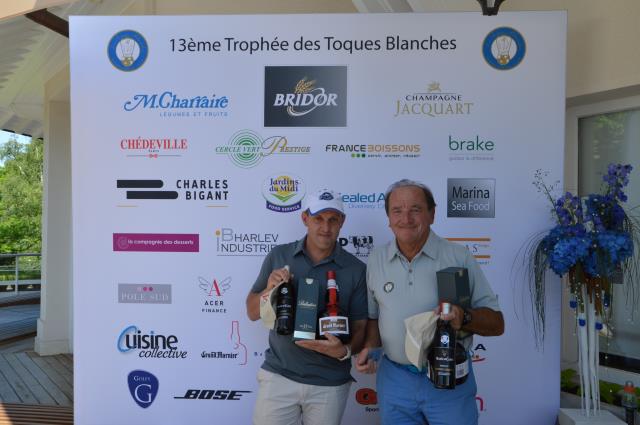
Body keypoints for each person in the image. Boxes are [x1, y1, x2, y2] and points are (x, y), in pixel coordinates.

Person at [355, 179, 504, 425]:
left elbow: (497, 323)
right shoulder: (376, 259)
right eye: (397, 211)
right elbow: (374, 318)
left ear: (432, 214)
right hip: (395, 381)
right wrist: (370, 349)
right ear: (389, 219)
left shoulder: (459, 257)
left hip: (448, 380)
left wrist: (464, 317)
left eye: (415, 209)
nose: (406, 218)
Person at [246, 188, 368, 425]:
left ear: (342, 222)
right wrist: (269, 290)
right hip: (279, 376)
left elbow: (361, 325)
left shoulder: (356, 269)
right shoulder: (279, 255)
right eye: (318, 219)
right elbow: (251, 312)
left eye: (333, 220)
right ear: (305, 219)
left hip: (329, 382)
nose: (326, 227)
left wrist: (344, 351)